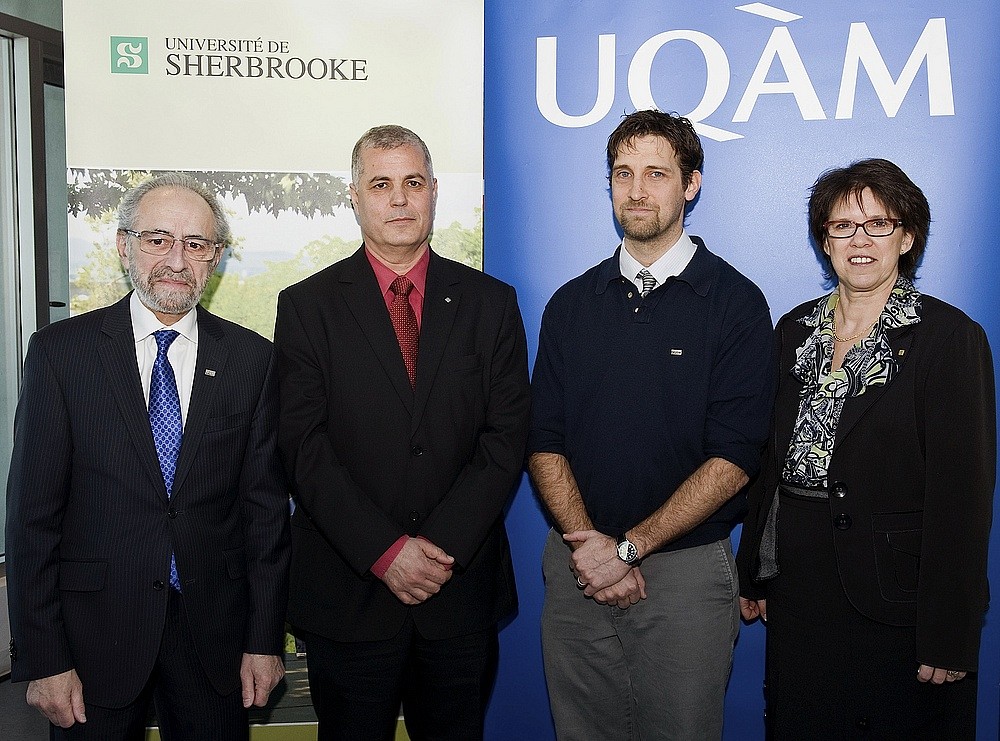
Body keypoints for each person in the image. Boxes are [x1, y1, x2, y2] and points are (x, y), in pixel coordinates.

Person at [5, 173, 291, 740]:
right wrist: (45, 656)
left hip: (214, 640)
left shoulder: (251, 360)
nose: (176, 261)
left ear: (215, 258)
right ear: (124, 245)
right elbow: (31, 518)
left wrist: (264, 640)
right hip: (94, 639)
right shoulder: (62, 355)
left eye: (196, 244)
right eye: (158, 239)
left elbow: (264, 516)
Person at [275, 124, 530, 740]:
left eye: (413, 183)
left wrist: (438, 547)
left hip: (457, 591)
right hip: (349, 596)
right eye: (380, 184)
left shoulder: (491, 303)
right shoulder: (307, 306)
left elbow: (505, 437)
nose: (398, 199)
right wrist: (385, 552)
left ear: (434, 192)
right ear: (354, 196)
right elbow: (303, 448)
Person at [528, 109, 774, 740]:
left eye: (656, 174)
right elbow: (543, 441)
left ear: (691, 184)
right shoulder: (571, 304)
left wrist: (629, 550)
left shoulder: (736, 304)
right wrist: (591, 548)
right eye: (623, 173)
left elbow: (736, 458)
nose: (636, 190)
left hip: (685, 577)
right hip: (578, 567)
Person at [736, 158, 996, 738]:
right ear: (824, 240)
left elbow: (963, 498)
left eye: (878, 224)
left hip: (897, 594)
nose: (860, 240)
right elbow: (769, 463)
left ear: (907, 238)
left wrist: (950, 633)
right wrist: (755, 569)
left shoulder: (949, 339)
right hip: (799, 585)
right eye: (842, 226)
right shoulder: (794, 330)